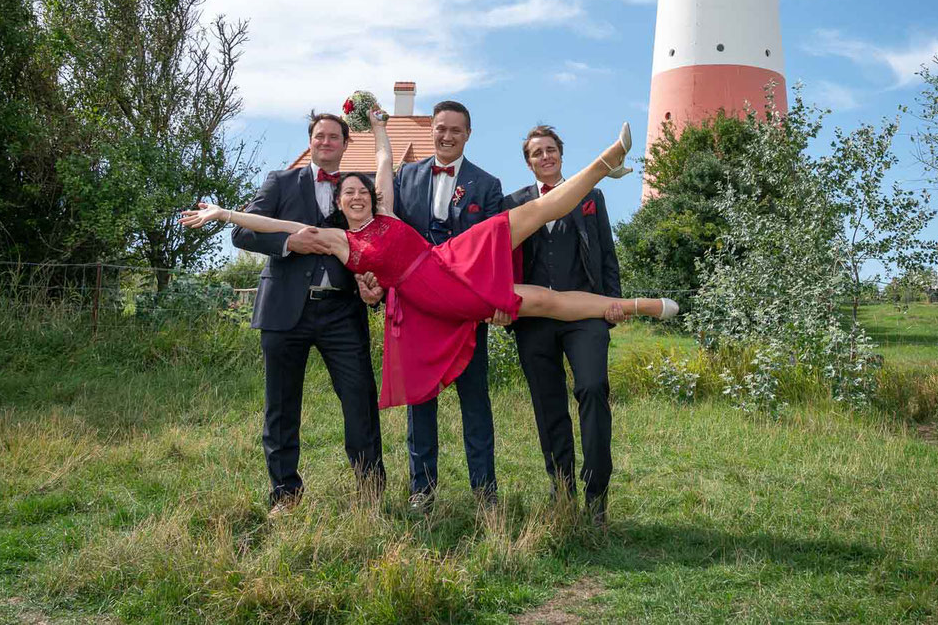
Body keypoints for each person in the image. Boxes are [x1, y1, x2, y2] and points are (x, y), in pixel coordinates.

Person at [182, 114, 677, 497]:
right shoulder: (334, 239)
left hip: (450, 258)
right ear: (339, 204)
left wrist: (378, 129)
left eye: (361, 192)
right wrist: (222, 212)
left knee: (531, 212)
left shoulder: (387, 211)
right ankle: (639, 306)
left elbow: (383, 161)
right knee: (539, 300)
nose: (356, 197)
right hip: (432, 293)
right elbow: (277, 228)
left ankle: (606, 162)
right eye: (348, 194)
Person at [230, 111, 385, 514]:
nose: (326, 142)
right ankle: (285, 493)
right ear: (311, 140)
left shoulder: (356, 188)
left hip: (342, 311)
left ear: (346, 144)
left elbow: (376, 242)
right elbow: (242, 231)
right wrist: (288, 244)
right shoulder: (280, 182)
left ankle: (370, 492)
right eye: (320, 136)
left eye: (335, 137)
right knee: (281, 405)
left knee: (360, 398)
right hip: (285, 311)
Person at [503, 125, 624, 528]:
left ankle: (597, 494)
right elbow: (501, 262)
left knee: (592, 389)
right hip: (534, 319)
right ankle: (562, 489)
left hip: (586, 314)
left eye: (550, 150)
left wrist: (614, 303)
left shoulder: (591, 196)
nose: (545, 157)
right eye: (537, 153)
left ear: (561, 154)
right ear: (528, 161)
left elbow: (606, 253)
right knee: (548, 403)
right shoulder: (513, 203)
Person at [391, 100, 502, 512]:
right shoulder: (406, 177)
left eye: (456, 130)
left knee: (475, 401)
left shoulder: (488, 186)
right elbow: (393, 236)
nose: (447, 136)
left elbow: (494, 250)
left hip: (464, 311)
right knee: (420, 401)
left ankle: (485, 493)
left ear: (468, 134)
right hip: (417, 308)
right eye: (441, 128)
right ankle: (423, 491)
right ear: (431, 131)